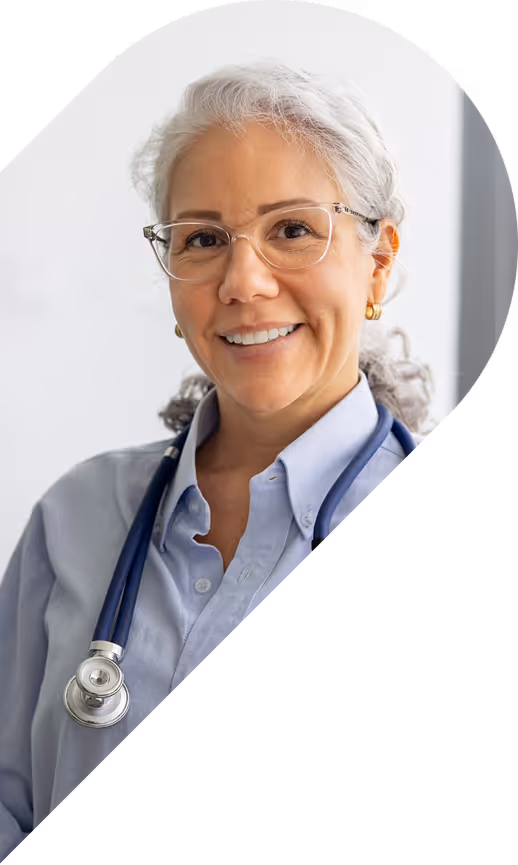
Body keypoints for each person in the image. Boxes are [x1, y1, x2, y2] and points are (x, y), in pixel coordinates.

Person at [0, 60, 435, 858]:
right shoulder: (75, 518)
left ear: (376, 262)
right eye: (203, 239)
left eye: (292, 229)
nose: (244, 281)